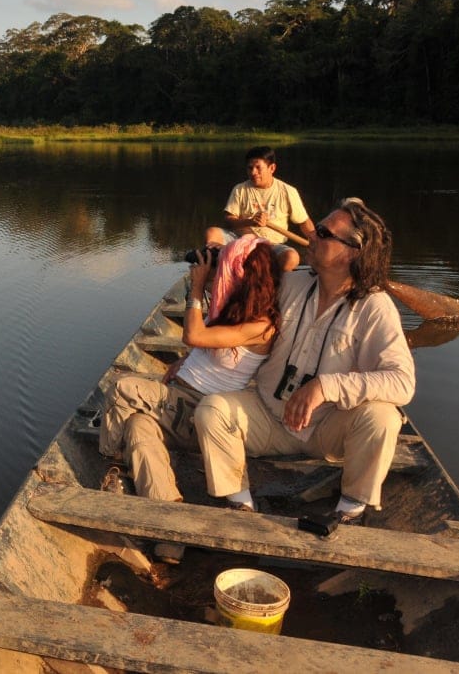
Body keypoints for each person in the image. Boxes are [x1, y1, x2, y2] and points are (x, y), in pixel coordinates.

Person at [193, 197, 415, 523]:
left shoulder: (375, 307)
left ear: (352, 252)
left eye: (323, 232)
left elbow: (402, 382)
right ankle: (240, 504)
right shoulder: (291, 284)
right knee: (211, 410)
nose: (311, 234)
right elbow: (237, 311)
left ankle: (349, 508)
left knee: (383, 417)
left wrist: (325, 387)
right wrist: (192, 360)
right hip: (269, 414)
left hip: (328, 426)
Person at [99, 235, 281, 561]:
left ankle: (111, 461)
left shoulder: (261, 323)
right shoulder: (232, 305)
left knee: (122, 387)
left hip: (200, 412)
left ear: (245, 274)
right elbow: (203, 343)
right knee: (139, 428)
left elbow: (194, 333)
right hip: (177, 399)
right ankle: (171, 530)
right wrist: (185, 360)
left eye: (225, 265)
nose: (217, 270)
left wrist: (195, 288)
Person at [203, 146, 315, 272]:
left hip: (272, 246)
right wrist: (250, 221)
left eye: (258, 168)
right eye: (250, 168)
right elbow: (229, 220)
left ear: (272, 168)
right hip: (241, 242)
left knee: (292, 258)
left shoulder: (287, 191)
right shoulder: (240, 189)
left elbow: (304, 222)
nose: (253, 172)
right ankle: (223, 271)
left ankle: (268, 279)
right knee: (212, 233)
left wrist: (316, 241)